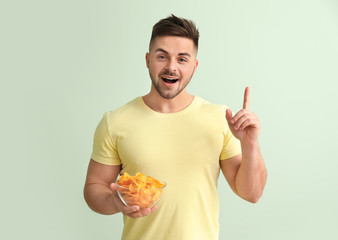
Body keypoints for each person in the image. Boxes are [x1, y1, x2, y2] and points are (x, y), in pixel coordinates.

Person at [84, 14, 267, 240]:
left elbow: (252, 193)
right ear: (148, 60)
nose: (171, 67)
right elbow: (94, 187)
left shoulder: (219, 118)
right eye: (162, 56)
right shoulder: (115, 122)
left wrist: (250, 145)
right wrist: (114, 201)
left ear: (194, 66)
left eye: (182, 59)